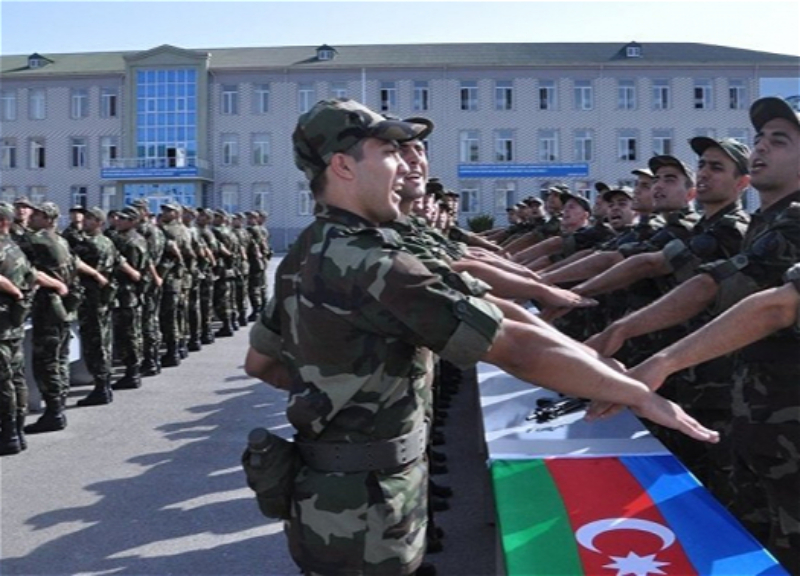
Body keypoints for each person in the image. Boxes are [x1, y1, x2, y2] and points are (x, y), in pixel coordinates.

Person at [244, 98, 718, 576]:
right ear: (343, 166)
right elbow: (512, 344)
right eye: (387, 152)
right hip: (365, 505)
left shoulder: (307, 248)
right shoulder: (373, 263)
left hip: (331, 488)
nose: (404, 163)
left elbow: (262, 364)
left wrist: (334, 392)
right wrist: (637, 393)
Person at [586, 97, 800, 572]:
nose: (762, 147)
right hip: (752, 414)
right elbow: (702, 280)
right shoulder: (763, 224)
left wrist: (657, 357)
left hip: (769, 418)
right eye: (761, 138)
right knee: (736, 537)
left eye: (779, 141)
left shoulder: (788, 221)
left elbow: (766, 303)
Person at [73, 207, 139, 405]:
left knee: (96, 343)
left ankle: (101, 387)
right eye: (85, 218)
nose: (85, 221)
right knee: (104, 340)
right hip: (103, 298)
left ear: (99, 223)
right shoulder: (108, 241)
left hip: (92, 299)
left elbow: (71, 261)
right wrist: (135, 274)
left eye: (91, 219)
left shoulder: (89, 244)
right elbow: (121, 261)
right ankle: (104, 385)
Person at [0, 202, 36, 455]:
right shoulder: (16, 249)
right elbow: (33, 278)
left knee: (4, 382)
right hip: (14, 323)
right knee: (16, 378)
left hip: (2, 324)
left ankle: (9, 433)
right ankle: (19, 431)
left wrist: (13, 291)